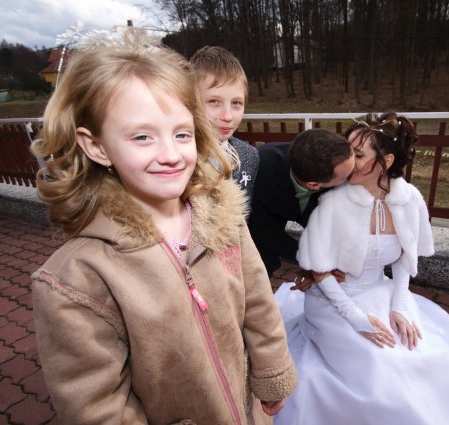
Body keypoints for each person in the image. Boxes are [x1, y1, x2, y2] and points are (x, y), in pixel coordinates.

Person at [30, 28, 296, 425]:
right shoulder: (77, 278)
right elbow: (95, 405)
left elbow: (258, 303)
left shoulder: (223, 220)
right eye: (142, 136)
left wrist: (271, 372)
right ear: (97, 146)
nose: (171, 154)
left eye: (182, 134)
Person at [273, 112, 449, 425]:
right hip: (334, 300)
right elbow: (320, 271)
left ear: (386, 161)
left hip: (382, 290)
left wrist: (400, 304)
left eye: (358, 154)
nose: (348, 161)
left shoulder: (409, 200)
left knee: (430, 354)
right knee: (377, 363)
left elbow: (405, 257)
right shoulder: (332, 202)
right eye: (348, 151)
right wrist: (356, 318)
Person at [248, 128, 354, 278]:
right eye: (345, 177)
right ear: (314, 185)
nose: (353, 175)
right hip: (253, 227)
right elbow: (263, 230)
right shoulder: (259, 170)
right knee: (260, 267)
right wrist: (311, 261)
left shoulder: (328, 166)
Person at [191, 45, 259, 204]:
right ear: (192, 101)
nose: (228, 116)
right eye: (214, 101)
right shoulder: (179, 158)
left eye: (236, 103)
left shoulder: (249, 156)